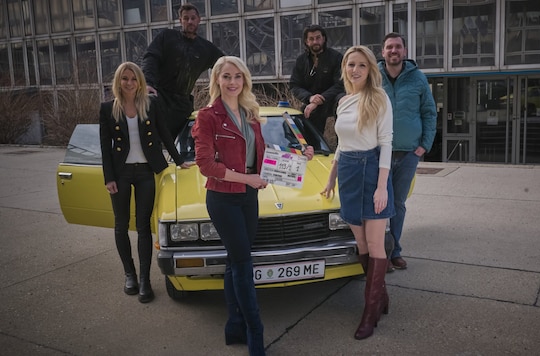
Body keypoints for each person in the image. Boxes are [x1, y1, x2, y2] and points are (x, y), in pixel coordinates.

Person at [192, 56, 314, 355]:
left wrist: (299, 156)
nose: (232, 82)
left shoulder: (251, 112)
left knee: (235, 262)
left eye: (237, 76)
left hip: (248, 198)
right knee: (244, 264)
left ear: (245, 79)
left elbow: (262, 153)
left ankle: (234, 326)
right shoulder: (207, 116)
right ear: (217, 80)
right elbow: (205, 164)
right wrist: (247, 178)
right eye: (226, 76)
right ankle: (255, 332)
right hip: (222, 198)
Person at [99, 62, 192, 303]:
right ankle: (129, 275)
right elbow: (105, 148)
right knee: (120, 225)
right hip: (120, 173)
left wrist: (180, 160)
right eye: (125, 79)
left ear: (140, 81)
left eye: (133, 78)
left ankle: (144, 281)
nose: (129, 83)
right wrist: (108, 177)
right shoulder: (107, 108)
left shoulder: (151, 104)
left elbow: (164, 133)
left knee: (143, 227)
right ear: (118, 81)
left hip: (145, 172)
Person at [321, 46, 394, 340]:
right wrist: (330, 178)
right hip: (349, 173)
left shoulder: (378, 98)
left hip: (372, 169)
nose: (355, 70)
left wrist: (381, 186)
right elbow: (341, 144)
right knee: (361, 244)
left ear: (370, 69)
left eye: (361, 65)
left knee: (376, 246)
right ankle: (382, 297)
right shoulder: (343, 101)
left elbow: (387, 142)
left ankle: (369, 312)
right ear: (345, 68)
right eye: (351, 64)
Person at [379, 33, 437, 271]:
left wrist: (424, 145)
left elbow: (429, 112)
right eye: (389, 47)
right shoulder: (373, 78)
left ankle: (394, 251)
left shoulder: (418, 78)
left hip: (408, 154)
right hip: (378, 152)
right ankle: (378, 252)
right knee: (380, 204)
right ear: (382, 52)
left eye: (398, 47)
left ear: (404, 51)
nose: (394, 51)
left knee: (398, 203)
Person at [142, 3, 224, 139]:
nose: (190, 21)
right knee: (155, 139)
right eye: (186, 18)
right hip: (160, 97)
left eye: (193, 18)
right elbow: (151, 57)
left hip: (183, 104)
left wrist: (227, 95)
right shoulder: (167, 37)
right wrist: (148, 83)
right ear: (180, 21)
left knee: (183, 143)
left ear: (199, 20)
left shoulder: (205, 48)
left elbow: (225, 64)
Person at [289, 24, 345, 135]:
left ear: (323, 39)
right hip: (311, 101)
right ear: (306, 41)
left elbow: (340, 84)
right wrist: (309, 98)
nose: (315, 41)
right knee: (306, 120)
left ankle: (342, 147)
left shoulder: (336, 57)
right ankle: (316, 148)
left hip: (333, 100)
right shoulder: (301, 60)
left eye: (318, 38)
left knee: (343, 103)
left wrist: (322, 98)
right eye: (311, 39)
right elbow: (294, 85)